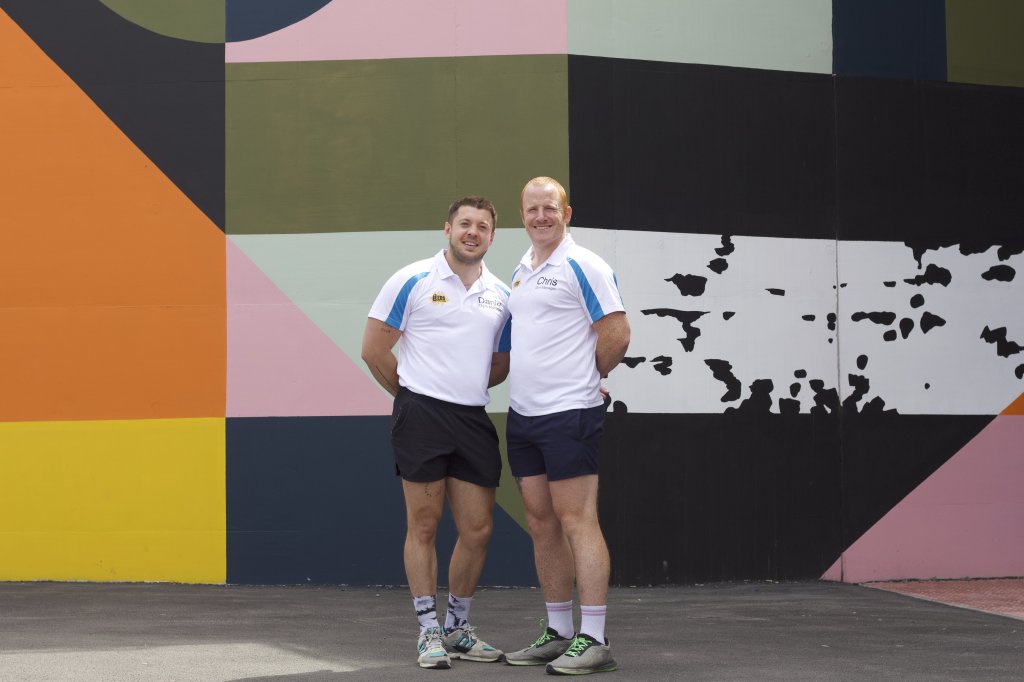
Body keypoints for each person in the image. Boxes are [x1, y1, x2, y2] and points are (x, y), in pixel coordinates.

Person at [361, 196, 511, 670]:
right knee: (423, 526)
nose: (473, 232)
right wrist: (411, 397)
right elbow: (374, 350)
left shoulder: (502, 294)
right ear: (446, 229)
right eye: (464, 223)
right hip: (420, 416)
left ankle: (458, 629)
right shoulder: (411, 279)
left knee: (478, 530)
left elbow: (500, 363)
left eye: (482, 226)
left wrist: (461, 384)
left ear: (492, 236)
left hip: (472, 419)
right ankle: (428, 632)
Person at [503, 177, 630, 675]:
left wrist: (589, 377)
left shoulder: (585, 264)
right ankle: (558, 632)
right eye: (532, 209)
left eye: (549, 208)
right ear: (523, 215)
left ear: (567, 212)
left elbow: (616, 332)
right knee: (541, 523)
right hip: (524, 415)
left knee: (578, 521)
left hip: (569, 413)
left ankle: (594, 639)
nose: (541, 217)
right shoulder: (521, 268)